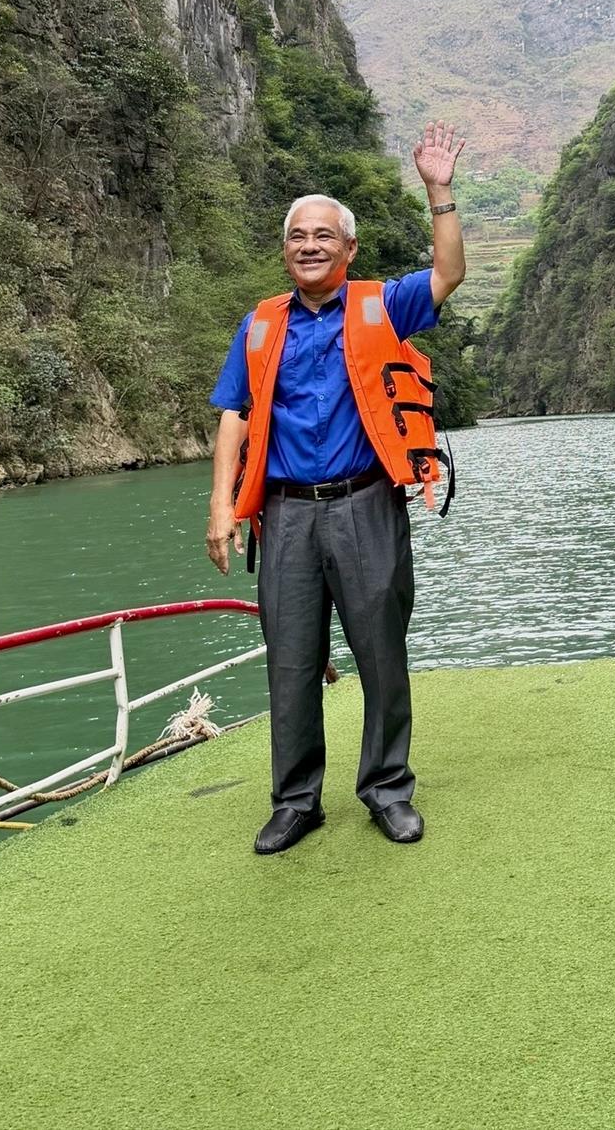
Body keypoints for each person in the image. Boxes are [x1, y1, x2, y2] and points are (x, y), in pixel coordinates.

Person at [205, 120, 467, 854]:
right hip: (285, 514)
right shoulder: (260, 325)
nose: (310, 245)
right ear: (284, 250)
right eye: (298, 236)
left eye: (324, 235)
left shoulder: (383, 305)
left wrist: (439, 191)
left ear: (349, 249)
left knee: (381, 651)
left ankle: (387, 789)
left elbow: (448, 272)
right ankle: (296, 801)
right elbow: (234, 415)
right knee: (289, 660)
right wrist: (221, 505)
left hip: (366, 504)